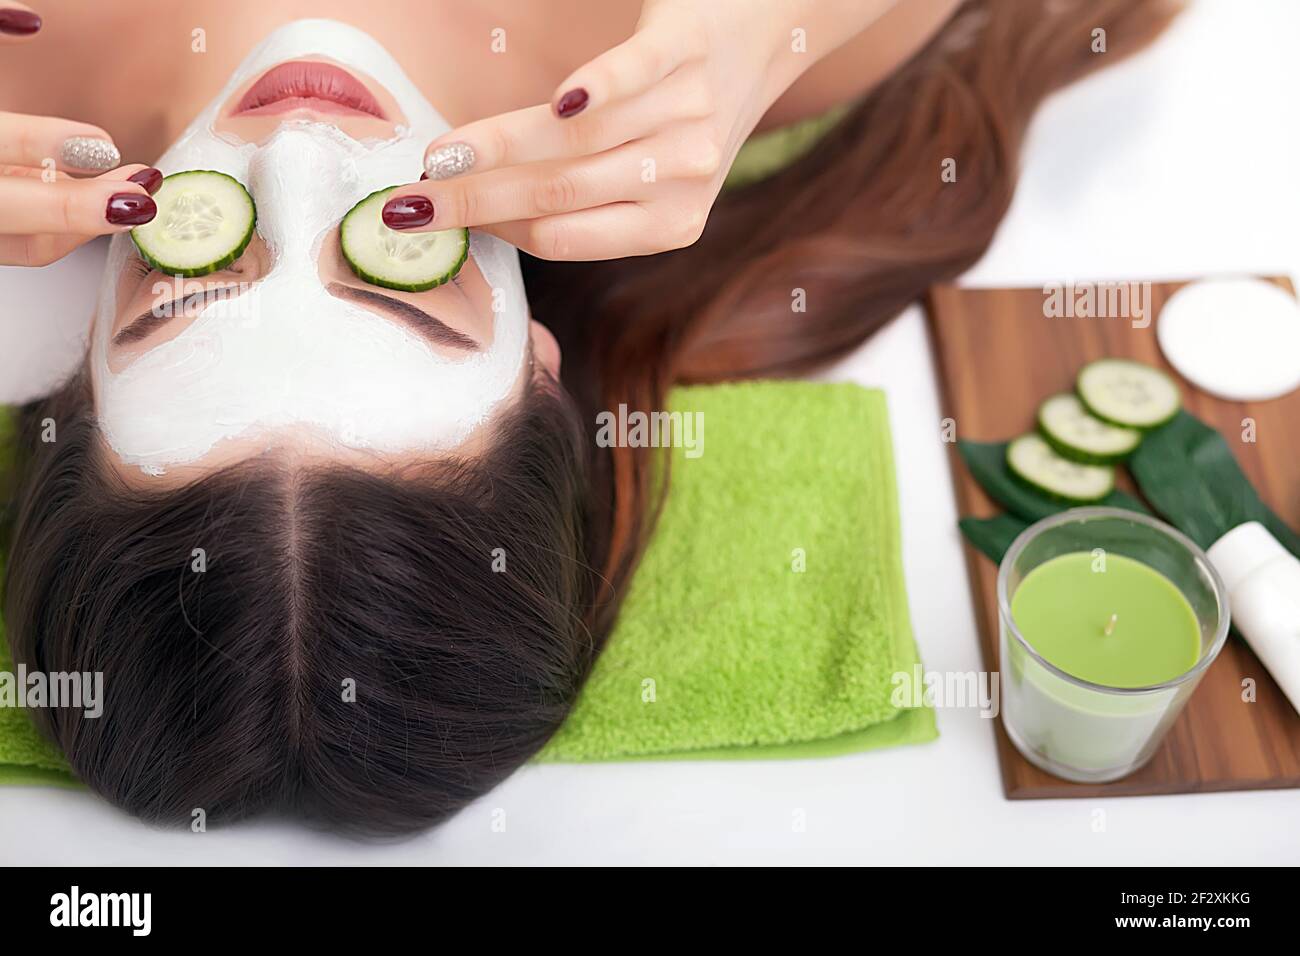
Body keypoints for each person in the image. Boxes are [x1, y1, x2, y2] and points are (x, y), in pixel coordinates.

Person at [0, 0, 1179, 833]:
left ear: (82, 366)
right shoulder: (744, 47)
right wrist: (774, 26)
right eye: (397, 277)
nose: (301, 164)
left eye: (188, 287)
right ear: (540, 363)